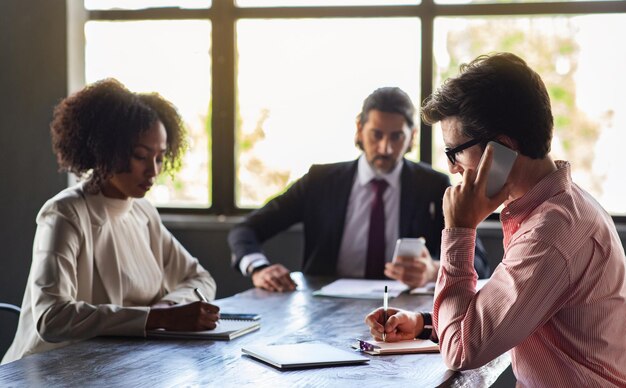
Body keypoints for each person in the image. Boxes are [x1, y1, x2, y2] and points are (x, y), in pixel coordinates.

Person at [365, 53, 626, 386]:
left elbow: (462, 350)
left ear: (501, 148)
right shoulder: (563, 206)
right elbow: (508, 307)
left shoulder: (551, 233)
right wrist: (425, 324)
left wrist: (459, 230)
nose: (452, 168)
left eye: (454, 151)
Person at [2, 79, 219, 364]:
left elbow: (201, 279)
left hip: (119, 366)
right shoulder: (64, 214)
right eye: (140, 156)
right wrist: (155, 318)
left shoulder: (143, 213)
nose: (152, 171)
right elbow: (51, 317)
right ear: (106, 150)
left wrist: (169, 305)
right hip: (49, 371)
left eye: (160, 158)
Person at [228, 87, 490, 292]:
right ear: (359, 129)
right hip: (321, 309)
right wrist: (258, 268)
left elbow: (479, 262)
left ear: (411, 137)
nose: (385, 148)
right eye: (376, 134)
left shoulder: (433, 186)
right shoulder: (320, 181)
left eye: (396, 136)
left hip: (404, 316)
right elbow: (246, 229)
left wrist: (433, 270)